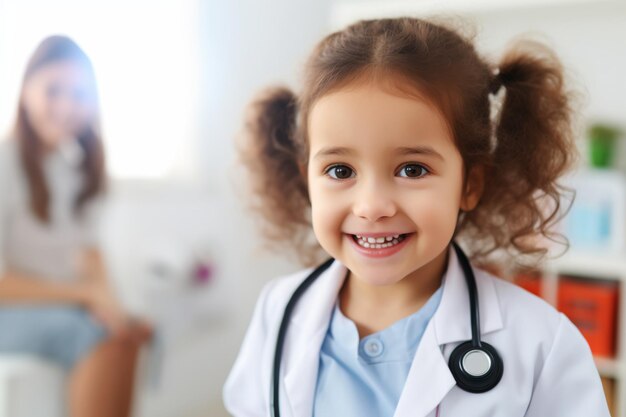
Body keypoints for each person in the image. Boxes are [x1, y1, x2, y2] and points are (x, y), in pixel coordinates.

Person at [223, 17, 611, 417]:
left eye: (412, 169)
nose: (372, 206)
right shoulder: (279, 309)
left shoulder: (541, 344)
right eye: (340, 171)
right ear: (307, 178)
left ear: (470, 185)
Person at [0, 36, 151, 417]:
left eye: (79, 94)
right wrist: (84, 297)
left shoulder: (75, 169)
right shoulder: (5, 162)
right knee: (93, 333)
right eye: (53, 91)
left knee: (128, 332)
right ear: (25, 91)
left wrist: (114, 307)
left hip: (57, 303)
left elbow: (91, 254)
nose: (66, 106)